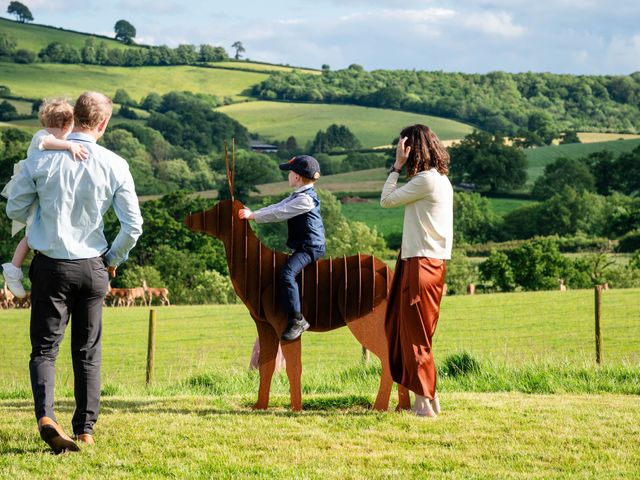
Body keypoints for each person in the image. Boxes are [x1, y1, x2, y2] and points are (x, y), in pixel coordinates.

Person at [5, 91, 143, 453]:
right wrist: (112, 260)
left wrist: (42, 207)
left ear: (73, 117)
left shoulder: (42, 159)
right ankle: (85, 430)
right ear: (103, 123)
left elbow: (14, 207)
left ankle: (47, 417)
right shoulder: (115, 163)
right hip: (94, 265)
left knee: (45, 350)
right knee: (87, 351)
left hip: (51, 266)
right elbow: (132, 227)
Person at [380, 124, 453, 418]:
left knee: (413, 335)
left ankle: (423, 403)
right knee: (419, 333)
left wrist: (396, 166)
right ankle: (430, 398)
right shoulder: (442, 180)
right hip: (432, 264)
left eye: (403, 148)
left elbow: (386, 200)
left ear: (411, 149)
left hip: (419, 265)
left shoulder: (424, 181)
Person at [1, 98, 88, 298]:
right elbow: (48, 142)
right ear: (67, 124)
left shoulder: (52, 136)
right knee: (31, 233)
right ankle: (13, 269)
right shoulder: (44, 136)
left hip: (38, 189)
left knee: (33, 232)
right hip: (32, 189)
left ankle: (14, 268)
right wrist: (68, 146)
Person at [238, 155, 325, 341]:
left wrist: (253, 216)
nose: (288, 175)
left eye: (290, 172)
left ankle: (297, 320)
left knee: (286, 273)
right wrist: (253, 213)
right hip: (303, 246)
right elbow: (278, 206)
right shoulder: (299, 195)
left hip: (310, 247)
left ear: (297, 177)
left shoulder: (305, 200)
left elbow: (279, 213)